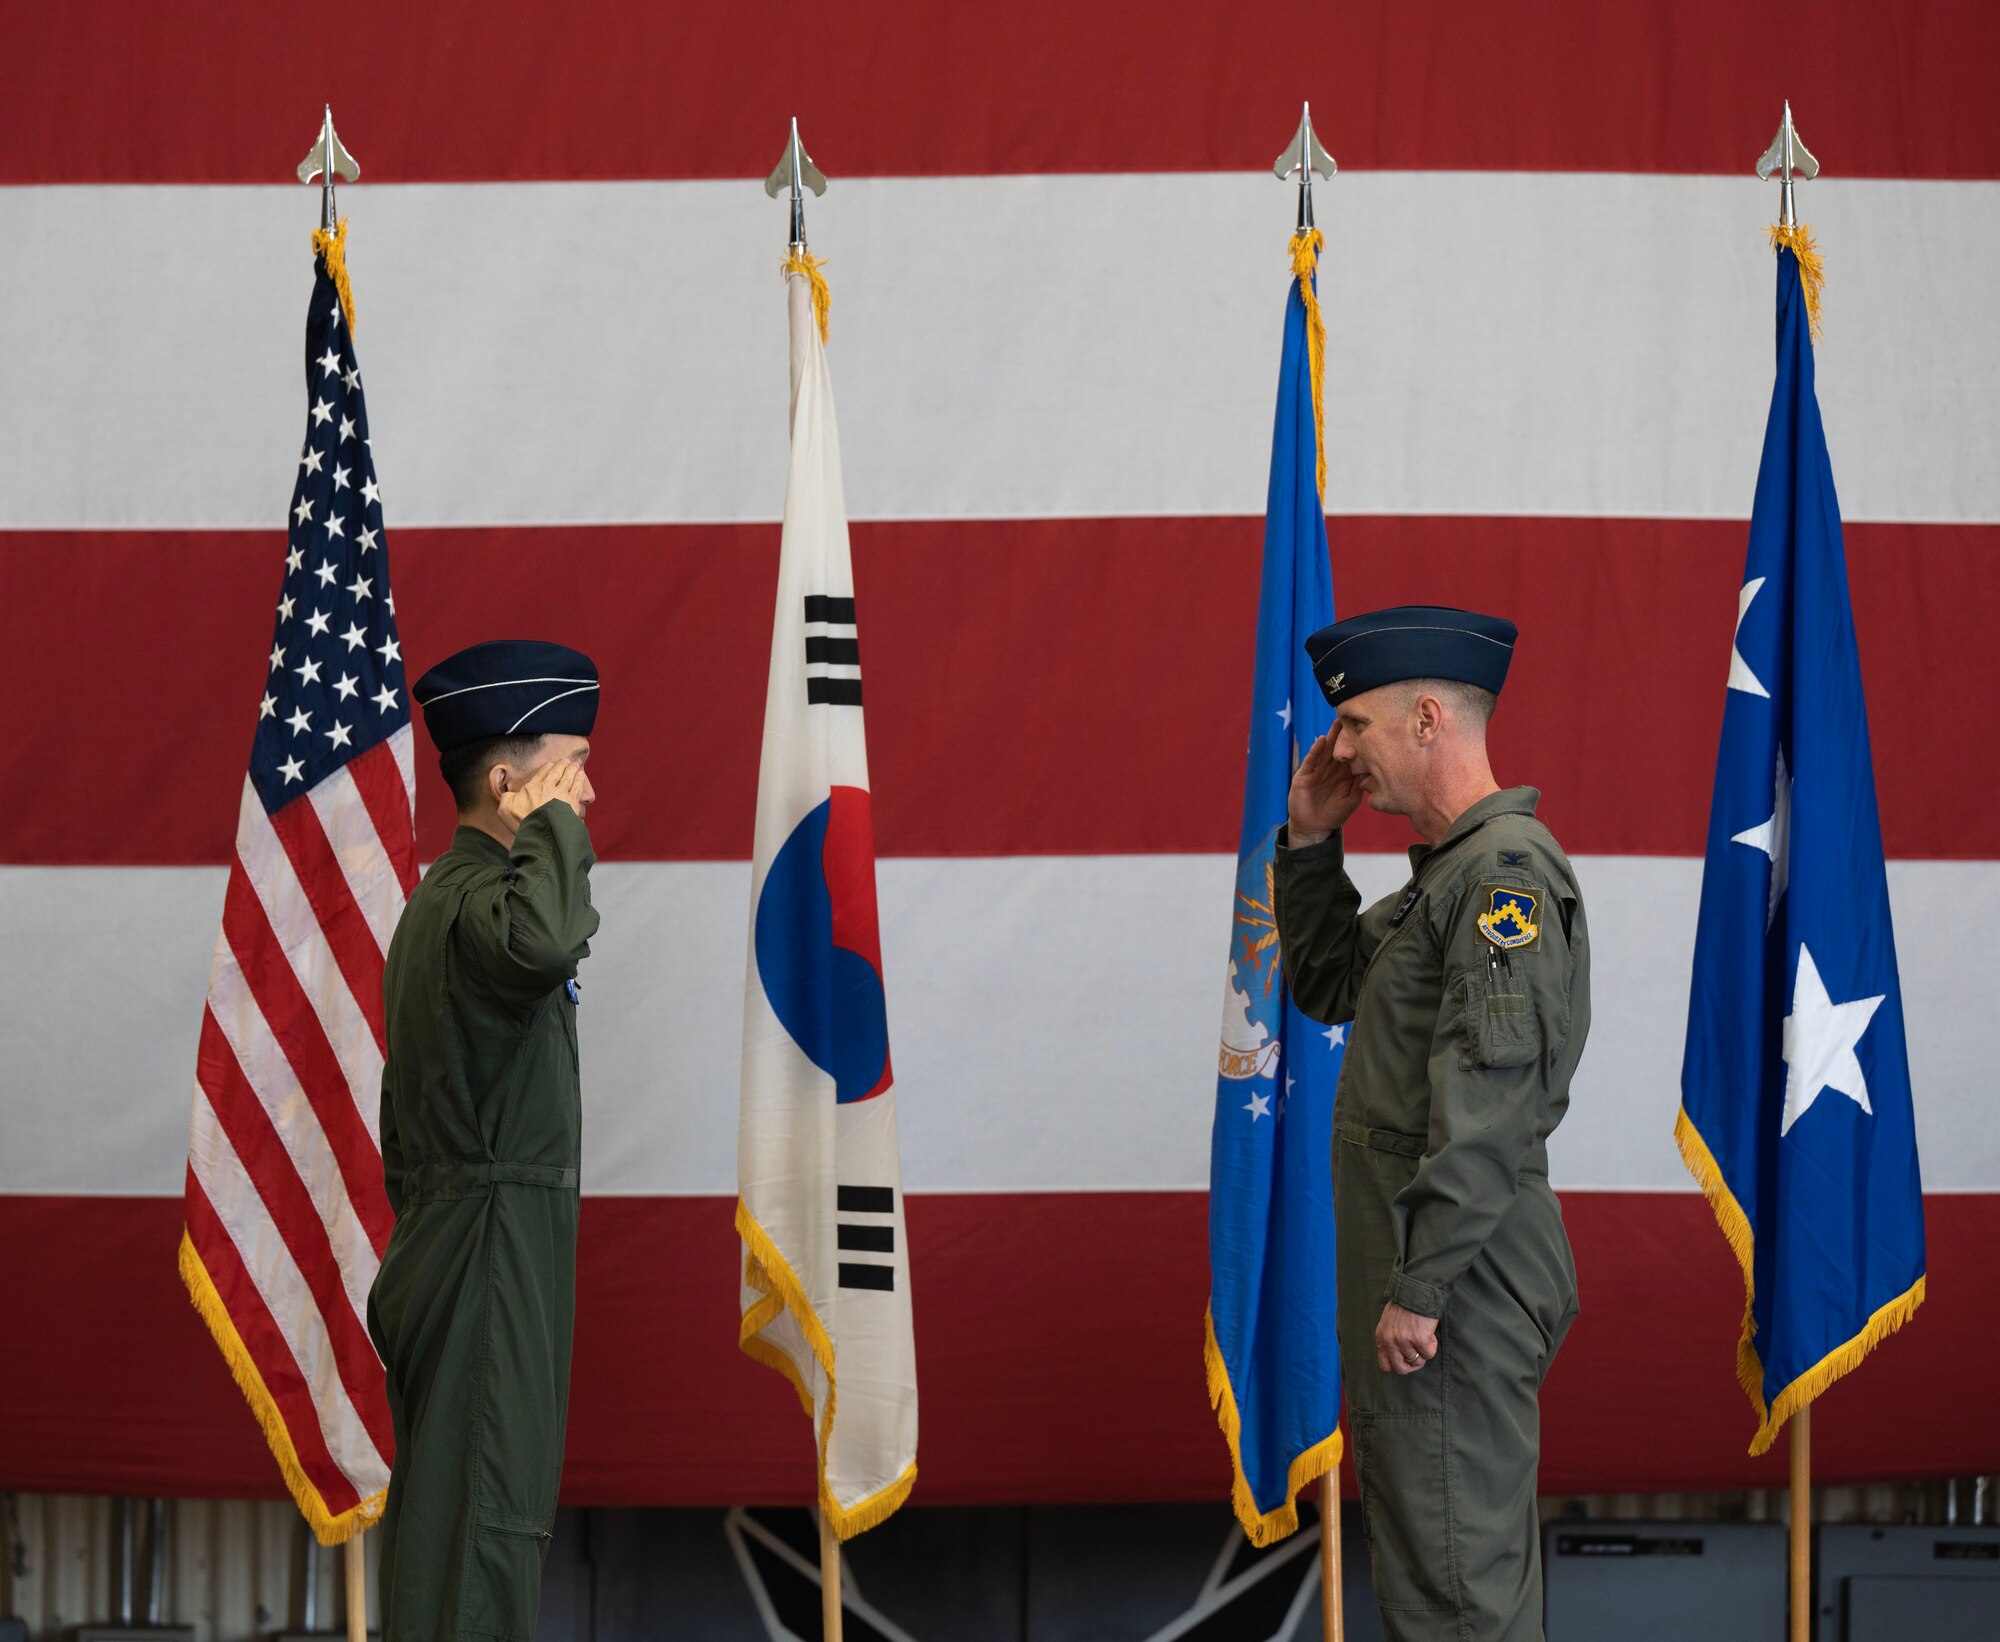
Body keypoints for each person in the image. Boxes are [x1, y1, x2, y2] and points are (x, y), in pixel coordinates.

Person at [1273, 605, 1588, 1642]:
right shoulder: (1448, 876)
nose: (1339, 749)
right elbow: (1326, 982)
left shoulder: (1500, 876)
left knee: (1457, 1589)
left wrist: (1420, 1284)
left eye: (1354, 724)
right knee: (1437, 1573)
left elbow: (1491, 1096)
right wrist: (1312, 841)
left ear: (1423, 719)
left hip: (1454, 1285)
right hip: (1434, 1280)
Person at [367, 639, 602, 1642]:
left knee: (462, 1529)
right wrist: (548, 826)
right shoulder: (477, 909)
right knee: (482, 1535)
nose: (586, 790)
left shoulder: (450, 900)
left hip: (476, 1240)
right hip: (489, 1255)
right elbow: (545, 941)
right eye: (566, 766)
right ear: (506, 782)